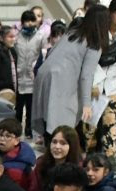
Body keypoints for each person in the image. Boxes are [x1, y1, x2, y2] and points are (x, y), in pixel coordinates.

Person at [32, 4, 110, 136]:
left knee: (49, 124)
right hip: (61, 82)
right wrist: (86, 104)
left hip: (44, 75)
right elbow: (86, 75)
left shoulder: (72, 33)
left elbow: (51, 52)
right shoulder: (94, 42)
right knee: (62, 129)